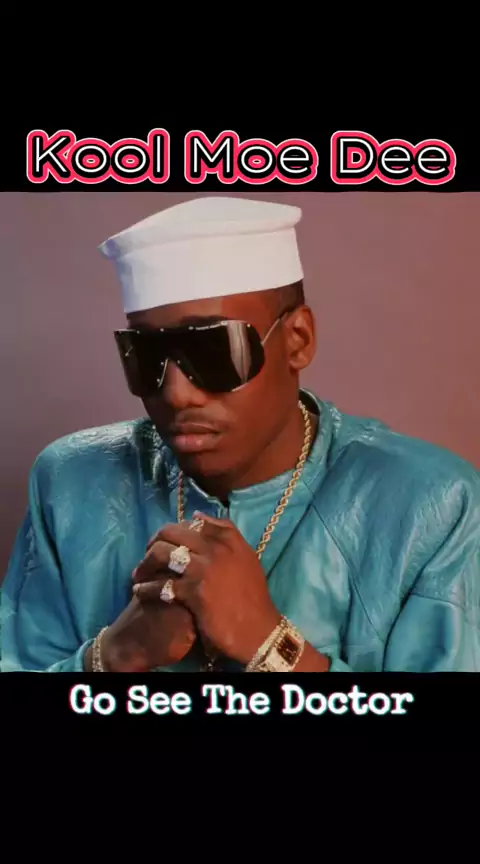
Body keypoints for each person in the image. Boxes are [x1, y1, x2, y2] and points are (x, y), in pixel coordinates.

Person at [1, 195, 479, 674]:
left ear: (297, 340)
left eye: (213, 351)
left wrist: (271, 646)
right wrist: (113, 656)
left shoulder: (433, 504)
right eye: (147, 356)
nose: (177, 394)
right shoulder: (72, 483)